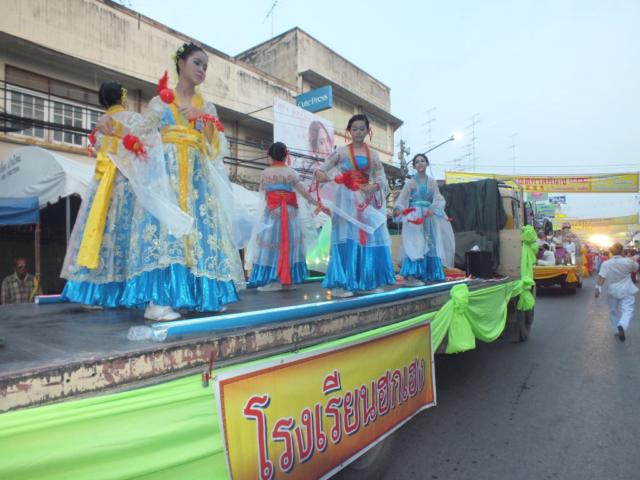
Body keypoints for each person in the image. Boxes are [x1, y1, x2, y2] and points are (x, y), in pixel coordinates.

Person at [96, 43, 246, 320]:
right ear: (180, 63)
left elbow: (215, 149)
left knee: (200, 233)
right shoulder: (160, 102)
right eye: (197, 63)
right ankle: (158, 302)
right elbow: (139, 133)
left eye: (205, 66)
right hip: (168, 179)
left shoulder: (207, 107)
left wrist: (204, 119)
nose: (202, 70)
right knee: (165, 234)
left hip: (197, 181)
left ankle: (203, 296)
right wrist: (109, 124)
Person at [61, 81, 192, 310]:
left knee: (103, 235)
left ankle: (93, 293)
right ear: (122, 97)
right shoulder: (131, 118)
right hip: (127, 183)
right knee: (129, 236)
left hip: (102, 187)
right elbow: (148, 139)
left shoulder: (100, 125)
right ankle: (128, 290)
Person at [315, 114, 395, 297]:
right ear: (349, 131)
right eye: (355, 129)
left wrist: (374, 186)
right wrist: (328, 177)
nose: (358, 132)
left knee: (367, 237)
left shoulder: (373, 155)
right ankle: (342, 284)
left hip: (366, 199)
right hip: (345, 199)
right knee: (345, 237)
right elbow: (322, 170)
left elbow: (381, 177)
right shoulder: (341, 152)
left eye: (362, 129)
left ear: (368, 131)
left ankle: (367, 282)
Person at [247, 142, 320, 291]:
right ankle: (287, 280)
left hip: (272, 212)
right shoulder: (291, 172)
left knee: (271, 246)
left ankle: (272, 279)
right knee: (289, 245)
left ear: (270, 156)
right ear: (286, 156)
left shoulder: (265, 173)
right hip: (290, 213)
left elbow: (263, 195)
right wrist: (315, 202)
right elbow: (303, 191)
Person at [393, 153, 454, 285]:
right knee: (415, 243)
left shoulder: (432, 182)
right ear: (414, 166)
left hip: (429, 216)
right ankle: (413, 275)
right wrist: (398, 209)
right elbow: (402, 199)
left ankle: (431, 273)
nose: (420, 163)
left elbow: (438, 198)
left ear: (427, 163)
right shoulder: (410, 183)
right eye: (417, 162)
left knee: (430, 242)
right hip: (415, 217)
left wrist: (433, 208)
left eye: (422, 161)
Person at [594, 242, 639, 341]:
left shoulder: (606, 264)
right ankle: (622, 325)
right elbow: (636, 268)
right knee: (627, 310)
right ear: (622, 251)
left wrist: (598, 289)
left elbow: (601, 277)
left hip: (613, 290)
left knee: (613, 311)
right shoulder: (628, 261)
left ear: (611, 252)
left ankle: (616, 329)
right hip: (627, 289)